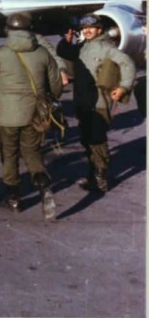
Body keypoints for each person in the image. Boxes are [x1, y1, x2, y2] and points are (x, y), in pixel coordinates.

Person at [0, 12, 63, 219]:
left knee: (9, 154)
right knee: (32, 152)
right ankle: (44, 185)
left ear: (8, 30)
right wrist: (47, 100)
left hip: (6, 114)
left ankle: (13, 199)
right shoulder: (42, 53)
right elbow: (56, 85)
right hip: (35, 114)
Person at [57, 13, 136, 194]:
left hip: (99, 102)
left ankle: (100, 179)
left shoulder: (105, 47)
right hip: (83, 100)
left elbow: (128, 63)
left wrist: (123, 87)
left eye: (91, 28)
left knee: (97, 140)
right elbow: (64, 52)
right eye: (84, 28)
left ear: (99, 29)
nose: (87, 31)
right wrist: (66, 41)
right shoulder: (84, 46)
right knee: (87, 139)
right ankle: (93, 175)